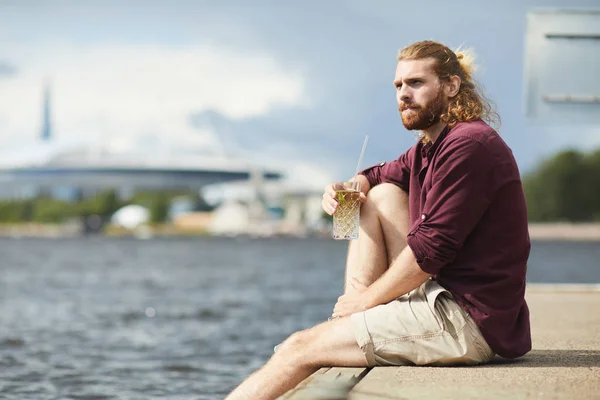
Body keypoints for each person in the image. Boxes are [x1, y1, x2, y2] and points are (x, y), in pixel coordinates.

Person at [225, 40, 531, 400]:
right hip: (447, 299)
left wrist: (366, 301)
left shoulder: (468, 145)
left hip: (467, 322)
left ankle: (351, 317)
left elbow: (431, 250)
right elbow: (381, 173)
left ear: (451, 87)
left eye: (416, 83)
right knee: (379, 193)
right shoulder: (430, 146)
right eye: (399, 86)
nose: (403, 94)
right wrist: (350, 187)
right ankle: (350, 321)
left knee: (298, 348)